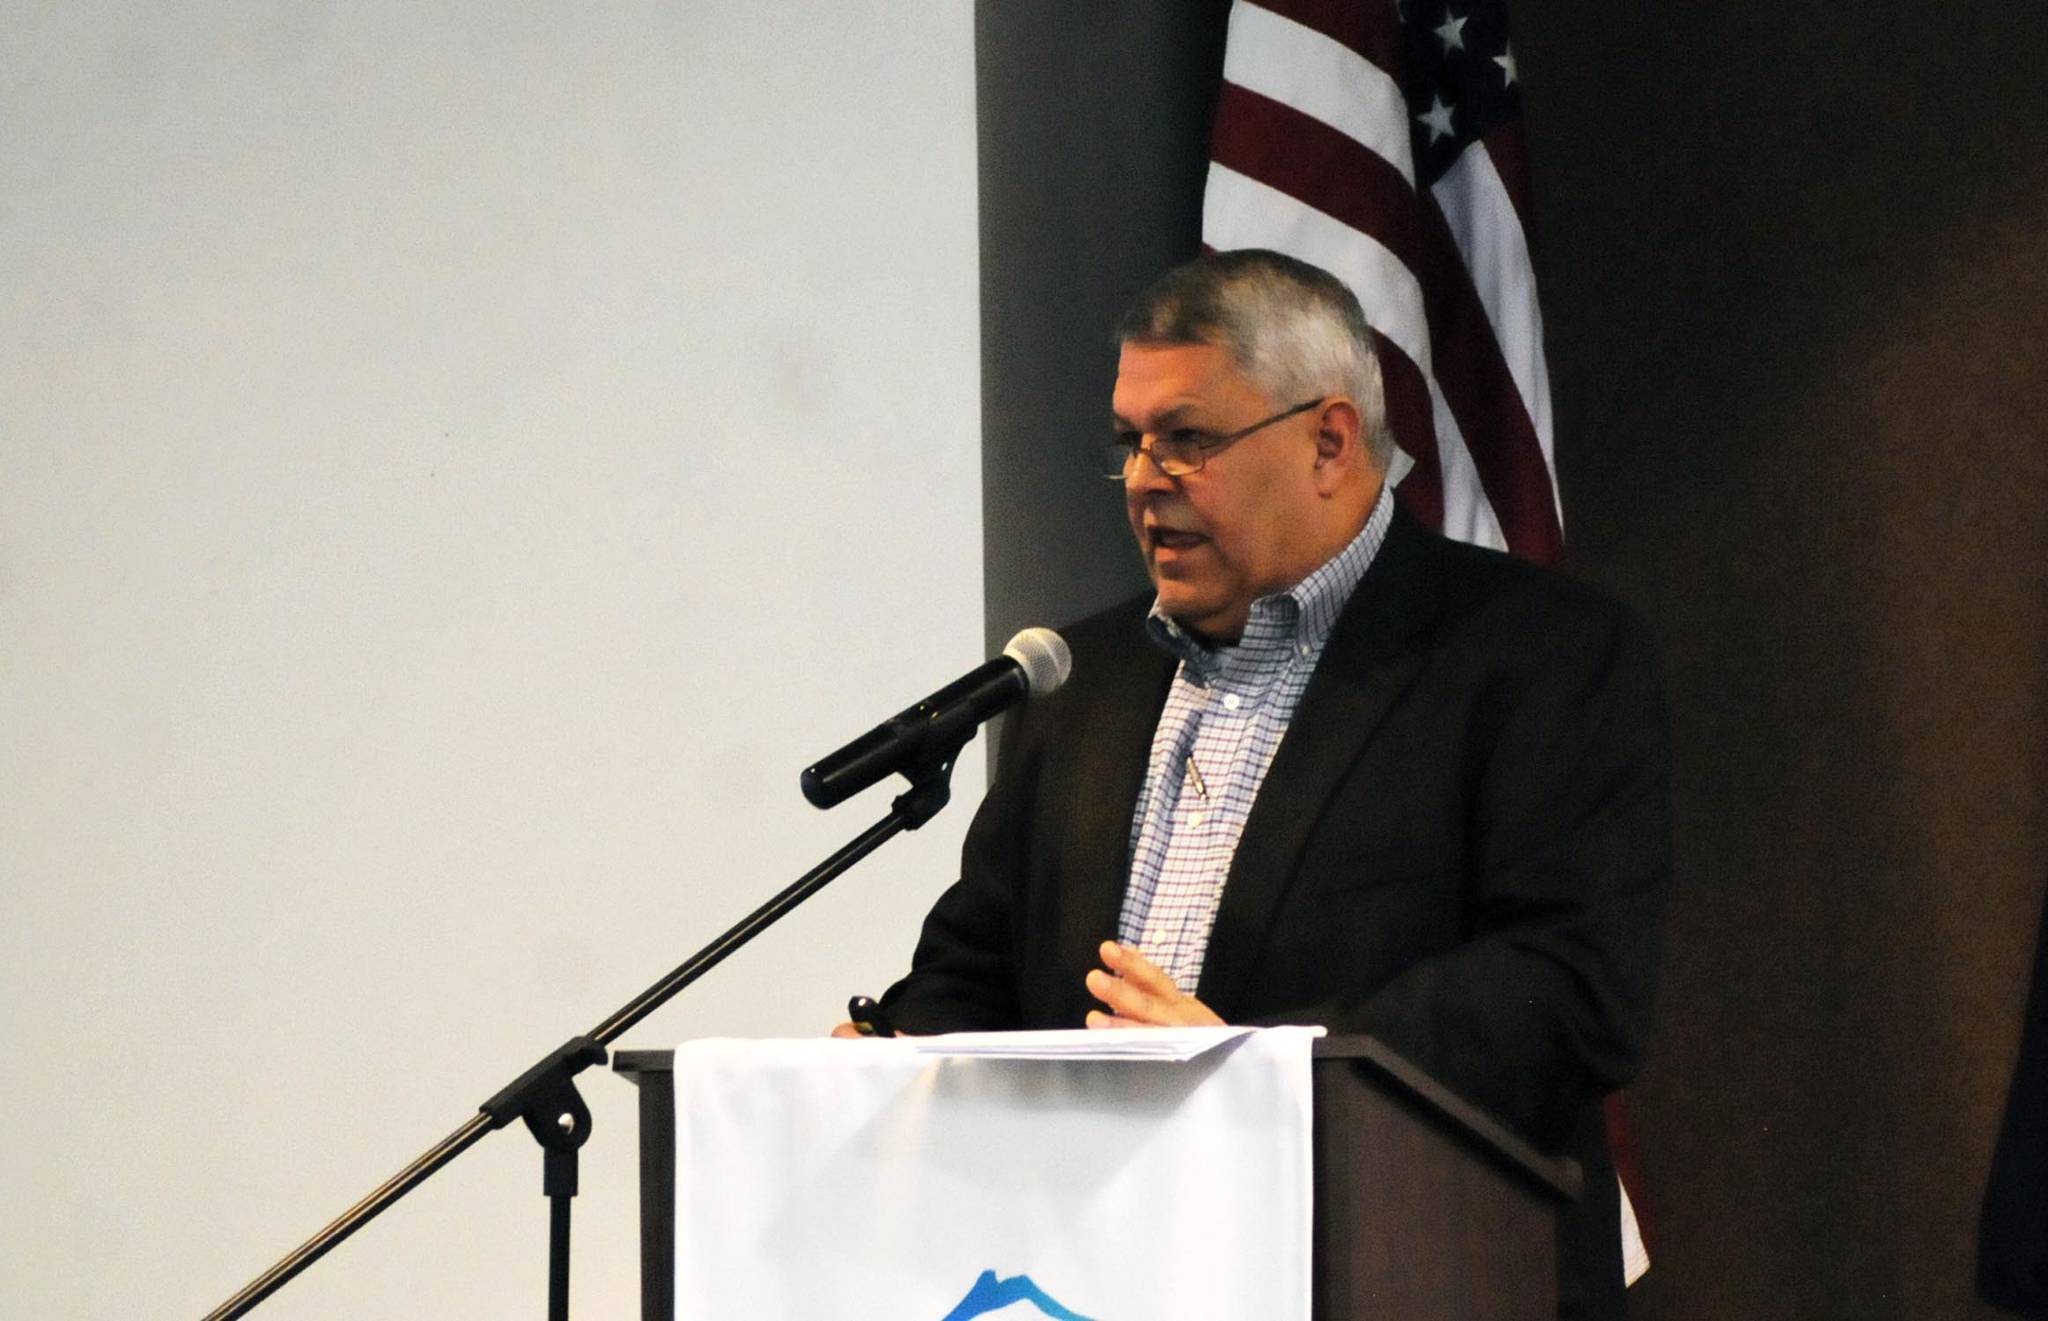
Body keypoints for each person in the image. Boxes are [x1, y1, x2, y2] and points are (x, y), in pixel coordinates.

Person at [845, 249, 1670, 1320]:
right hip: (1088, 1278)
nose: (1144, 479)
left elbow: (1570, 988)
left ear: (1328, 440)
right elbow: (979, 962)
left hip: (1410, 1269)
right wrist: (886, 1059)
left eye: (1187, 439)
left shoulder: (1537, 652)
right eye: (1129, 444)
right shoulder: (1079, 680)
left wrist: (1256, 1074)